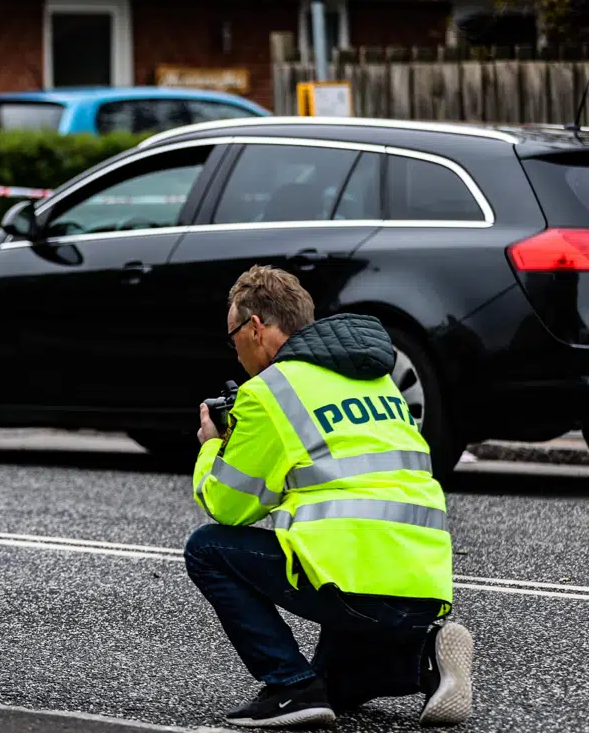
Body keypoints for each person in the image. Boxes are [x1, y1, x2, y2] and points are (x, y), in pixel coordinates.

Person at [185, 265, 473, 728]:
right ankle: (426, 660)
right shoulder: (377, 379)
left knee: (208, 548)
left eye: (233, 335)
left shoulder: (271, 392)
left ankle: (288, 687)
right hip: (422, 585)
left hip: (354, 582)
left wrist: (214, 446)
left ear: (255, 328)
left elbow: (227, 505)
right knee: (334, 689)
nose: (235, 349)